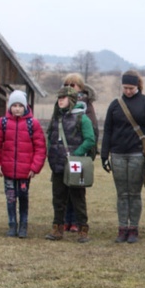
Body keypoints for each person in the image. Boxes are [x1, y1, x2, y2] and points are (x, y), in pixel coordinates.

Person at [101, 70, 145, 243]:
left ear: (137, 86)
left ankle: (133, 228)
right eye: (125, 88)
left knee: (134, 193)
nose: (128, 91)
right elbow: (108, 130)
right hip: (118, 153)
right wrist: (104, 155)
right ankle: (122, 228)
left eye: (131, 88)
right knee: (121, 194)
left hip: (137, 154)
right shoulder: (115, 105)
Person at [0, 90, 47, 238]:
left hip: (25, 171)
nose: (17, 108)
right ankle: (12, 225)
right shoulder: (2, 123)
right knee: (10, 198)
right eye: (14, 105)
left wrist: (35, 167)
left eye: (20, 105)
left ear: (25, 106)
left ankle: (23, 225)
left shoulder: (32, 124)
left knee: (23, 197)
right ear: (9, 107)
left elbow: (40, 148)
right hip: (7, 170)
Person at [44, 86, 95, 243]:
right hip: (58, 163)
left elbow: (90, 140)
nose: (60, 100)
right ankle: (57, 228)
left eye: (64, 98)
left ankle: (83, 230)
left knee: (78, 198)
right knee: (58, 198)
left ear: (71, 100)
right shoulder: (55, 119)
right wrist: (49, 153)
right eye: (59, 98)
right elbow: (50, 138)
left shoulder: (82, 118)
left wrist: (76, 155)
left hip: (74, 165)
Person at [61, 72, 99, 233]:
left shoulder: (86, 106)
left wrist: (85, 153)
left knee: (77, 189)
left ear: (80, 87)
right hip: (65, 154)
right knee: (65, 189)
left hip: (80, 155)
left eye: (73, 85)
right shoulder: (62, 104)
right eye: (67, 85)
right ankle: (65, 220)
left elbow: (93, 131)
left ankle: (77, 220)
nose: (70, 88)